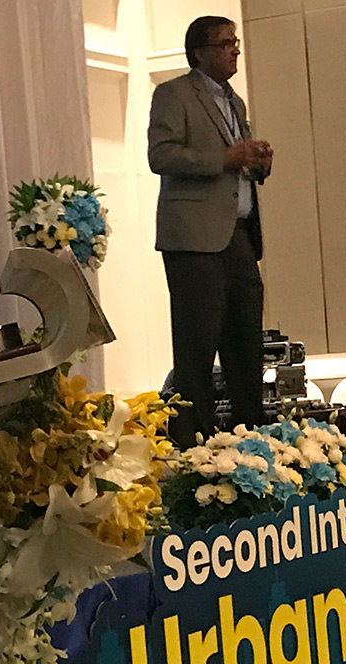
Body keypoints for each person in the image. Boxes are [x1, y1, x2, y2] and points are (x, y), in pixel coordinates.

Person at [148, 15, 274, 449]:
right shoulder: (174, 94)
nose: (234, 49)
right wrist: (224, 157)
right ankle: (196, 445)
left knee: (246, 342)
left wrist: (257, 161)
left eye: (235, 42)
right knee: (197, 346)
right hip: (193, 239)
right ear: (199, 51)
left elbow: (237, 159)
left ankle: (250, 439)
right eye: (225, 43)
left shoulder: (234, 102)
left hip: (238, 234)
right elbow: (161, 155)